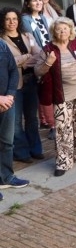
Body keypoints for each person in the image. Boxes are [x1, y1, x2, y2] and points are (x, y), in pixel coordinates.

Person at [35, 17, 76, 176]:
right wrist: (48, 62)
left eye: (65, 28)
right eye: (59, 29)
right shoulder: (48, 49)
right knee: (63, 129)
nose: (62, 31)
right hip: (61, 95)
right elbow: (38, 71)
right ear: (54, 32)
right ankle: (64, 162)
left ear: (70, 30)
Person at [0, 8, 42, 163]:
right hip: (13, 85)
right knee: (16, 122)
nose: (12, 22)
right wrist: (26, 57)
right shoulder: (1, 41)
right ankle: (22, 152)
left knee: (32, 118)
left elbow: (39, 54)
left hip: (31, 81)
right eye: (7, 19)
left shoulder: (27, 36)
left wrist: (21, 61)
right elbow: (7, 63)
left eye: (14, 18)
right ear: (2, 21)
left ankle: (35, 149)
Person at [0, 37, 28, 193]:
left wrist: (10, 95)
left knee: (7, 142)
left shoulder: (2, 45)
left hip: (7, 103)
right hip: (2, 101)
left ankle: (6, 178)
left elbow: (13, 71)